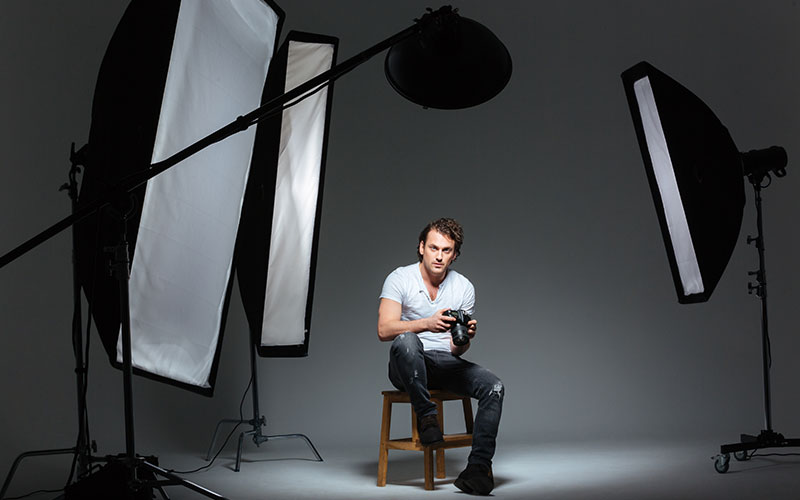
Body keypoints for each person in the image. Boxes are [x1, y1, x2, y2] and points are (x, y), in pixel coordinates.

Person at [377, 217, 504, 496]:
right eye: (434, 248)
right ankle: (427, 418)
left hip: (442, 361)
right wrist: (426, 323)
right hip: (406, 364)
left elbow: (455, 351)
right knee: (408, 340)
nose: (439, 256)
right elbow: (384, 329)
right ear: (421, 247)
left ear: (455, 254)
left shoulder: (463, 287)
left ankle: (477, 469)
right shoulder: (400, 278)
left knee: (494, 386)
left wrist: (465, 338)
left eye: (446, 250)